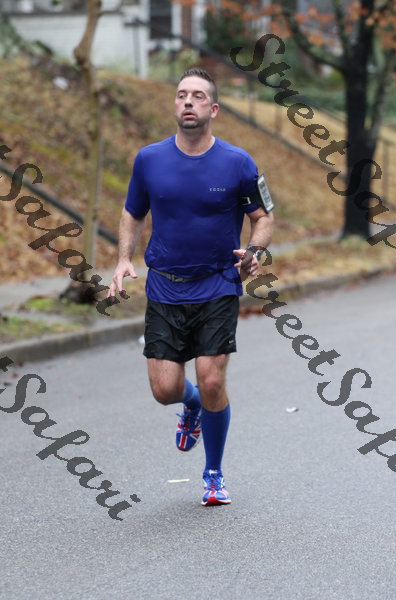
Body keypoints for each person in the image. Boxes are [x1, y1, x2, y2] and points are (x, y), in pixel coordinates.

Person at [108, 68, 274, 506]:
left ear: (213, 109)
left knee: (213, 379)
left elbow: (262, 217)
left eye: (198, 96)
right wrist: (124, 259)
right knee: (164, 390)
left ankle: (213, 474)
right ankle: (192, 403)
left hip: (218, 283)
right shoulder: (149, 159)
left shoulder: (238, 162)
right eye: (182, 94)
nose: (188, 101)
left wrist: (255, 250)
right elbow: (132, 213)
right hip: (165, 286)